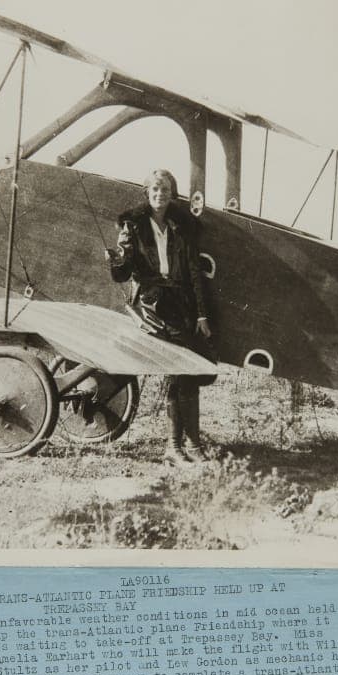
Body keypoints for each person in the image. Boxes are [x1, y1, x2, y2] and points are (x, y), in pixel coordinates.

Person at [105, 169, 216, 465]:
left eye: (165, 189)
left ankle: (187, 446)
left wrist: (202, 315)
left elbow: (194, 273)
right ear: (146, 193)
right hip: (151, 306)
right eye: (154, 189)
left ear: (172, 194)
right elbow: (122, 274)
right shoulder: (134, 226)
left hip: (180, 305)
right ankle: (177, 447)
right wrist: (118, 255)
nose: (159, 194)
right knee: (180, 370)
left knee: (187, 371)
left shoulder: (182, 227)